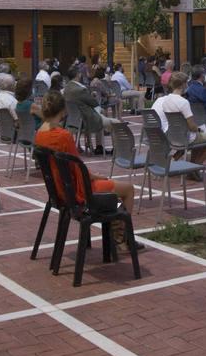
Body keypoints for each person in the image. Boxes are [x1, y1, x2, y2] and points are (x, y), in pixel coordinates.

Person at [33, 91, 138, 250]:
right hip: (77, 193)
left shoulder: (39, 134)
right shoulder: (63, 136)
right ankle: (120, 239)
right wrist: (96, 177)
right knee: (128, 190)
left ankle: (116, 233)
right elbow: (78, 168)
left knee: (112, 187)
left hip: (58, 192)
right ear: (62, 110)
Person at [152, 72, 206, 169]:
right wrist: (198, 130)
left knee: (197, 137)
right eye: (186, 83)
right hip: (185, 137)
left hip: (172, 136)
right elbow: (192, 126)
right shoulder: (183, 102)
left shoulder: (165, 101)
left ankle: (188, 164)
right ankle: (196, 166)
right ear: (183, 84)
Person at [64, 64, 118, 155]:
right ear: (78, 74)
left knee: (101, 115)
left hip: (73, 120)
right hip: (87, 120)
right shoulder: (80, 89)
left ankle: (99, 146)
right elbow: (94, 103)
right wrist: (92, 96)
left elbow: (82, 100)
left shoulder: (67, 88)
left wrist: (89, 96)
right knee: (116, 123)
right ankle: (117, 150)